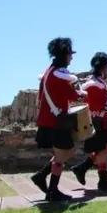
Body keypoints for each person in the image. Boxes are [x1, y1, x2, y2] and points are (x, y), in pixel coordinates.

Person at [31, 37, 85, 202]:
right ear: (64, 55)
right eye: (70, 54)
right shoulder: (59, 75)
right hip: (56, 121)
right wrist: (82, 95)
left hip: (49, 119)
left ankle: (43, 178)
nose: (71, 58)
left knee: (63, 152)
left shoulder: (49, 72)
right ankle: (52, 190)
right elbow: (71, 95)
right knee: (65, 152)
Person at [70, 52, 107, 191]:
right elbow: (95, 104)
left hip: (103, 120)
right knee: (102, 150)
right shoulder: (93, 84)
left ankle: (82, 168)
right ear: (103, 68)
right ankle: (103, 180)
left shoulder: (99, 83)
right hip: (98, 121)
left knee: (106, 148)